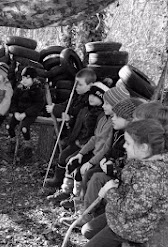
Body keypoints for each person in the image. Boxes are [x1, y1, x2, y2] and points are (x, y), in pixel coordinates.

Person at [78, 119, 168, 247]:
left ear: (144, 147)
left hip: (131, 226)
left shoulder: (151, 177)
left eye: (128, 143)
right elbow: (129, 182)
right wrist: (115, 176)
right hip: (121, 216)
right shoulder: (141, 161)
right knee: (87, 231)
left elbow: (130, 210)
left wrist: (109, 192)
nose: (124, 146)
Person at [55, 86, 130, 209]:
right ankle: (69, 194)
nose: (103, 106)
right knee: (72, 162)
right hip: (95, 155)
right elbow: (95, 138)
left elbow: (106, 147)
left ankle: (80, 202)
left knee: (85, 174)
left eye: (107, 104)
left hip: (100, 158)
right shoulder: (102, 118)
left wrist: (91, 162)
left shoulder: (114, 124)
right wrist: (81, 153)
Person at [74, 97, 145, 225]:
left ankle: (89, 215)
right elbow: (110, 149)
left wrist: (112, 168)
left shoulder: (132, 139)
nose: (113, 118)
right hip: (114, 170)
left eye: (117, 116)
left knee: (96, 178)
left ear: (129, 119)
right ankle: (87, 211)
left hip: (120, 177)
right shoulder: (117, 131)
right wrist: (107, 160)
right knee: (90, 174)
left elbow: (128, 165)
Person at [45, 81, 107, 190]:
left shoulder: (100, 115)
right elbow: (78, 124)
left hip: (87, 145)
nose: (91, 98)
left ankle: (70, 187)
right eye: (90, 95)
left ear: (102, 98)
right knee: (63, 155)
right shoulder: (85, 109)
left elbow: (95, 134)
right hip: (78, 140)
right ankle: (58, 179)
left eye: (95, 96)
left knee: (71, 159)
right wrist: (69, 121)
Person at [6, 67, 45, 159]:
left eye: (27, 78)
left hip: (30, 114)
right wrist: (15, 112)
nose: (24, 80)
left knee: (24, 128)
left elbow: (38, 105)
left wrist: (26, 113)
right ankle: (13, 141)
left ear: (33, 79)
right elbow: (13, 101)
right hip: (18, 112)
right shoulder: (19, 88)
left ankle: (28, 145)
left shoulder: (37, 90)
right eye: (23, 78)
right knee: (9, 126)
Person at [45, 68, 97, 135]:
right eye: (76, 84)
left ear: (90, 86)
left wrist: (55, 109)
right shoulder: (76, 95)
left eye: (80, 85)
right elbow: (67, 104)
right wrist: (55, 106)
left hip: (79, 132)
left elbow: (75, 111)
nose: (76, 87)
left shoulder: (88, 100)